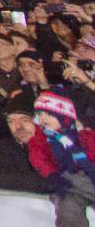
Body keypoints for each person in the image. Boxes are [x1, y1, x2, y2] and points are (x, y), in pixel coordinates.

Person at [27, 90, 95, 227]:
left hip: (89, 175)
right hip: (64, 178)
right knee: (69, 208)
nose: (43, 118)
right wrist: (53, 175)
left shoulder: (82, 136)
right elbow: (39, 159)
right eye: (40, 114)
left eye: (49, 114)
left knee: (84, 185)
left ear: (64, 117)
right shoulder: (41, 139)